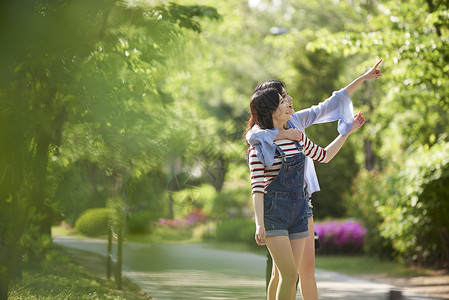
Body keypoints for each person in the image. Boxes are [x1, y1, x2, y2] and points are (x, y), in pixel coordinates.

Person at [246, 59, 382, 300]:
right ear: (271, 111)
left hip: (300, 209)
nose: (289, 101)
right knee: (287, 275)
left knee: (290, 275)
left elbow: (324, 155)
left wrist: (347, 132)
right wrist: (259, 224)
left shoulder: (297, 134)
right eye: (283, 99)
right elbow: (257, 187)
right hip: (274, 211)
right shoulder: (260, 145)